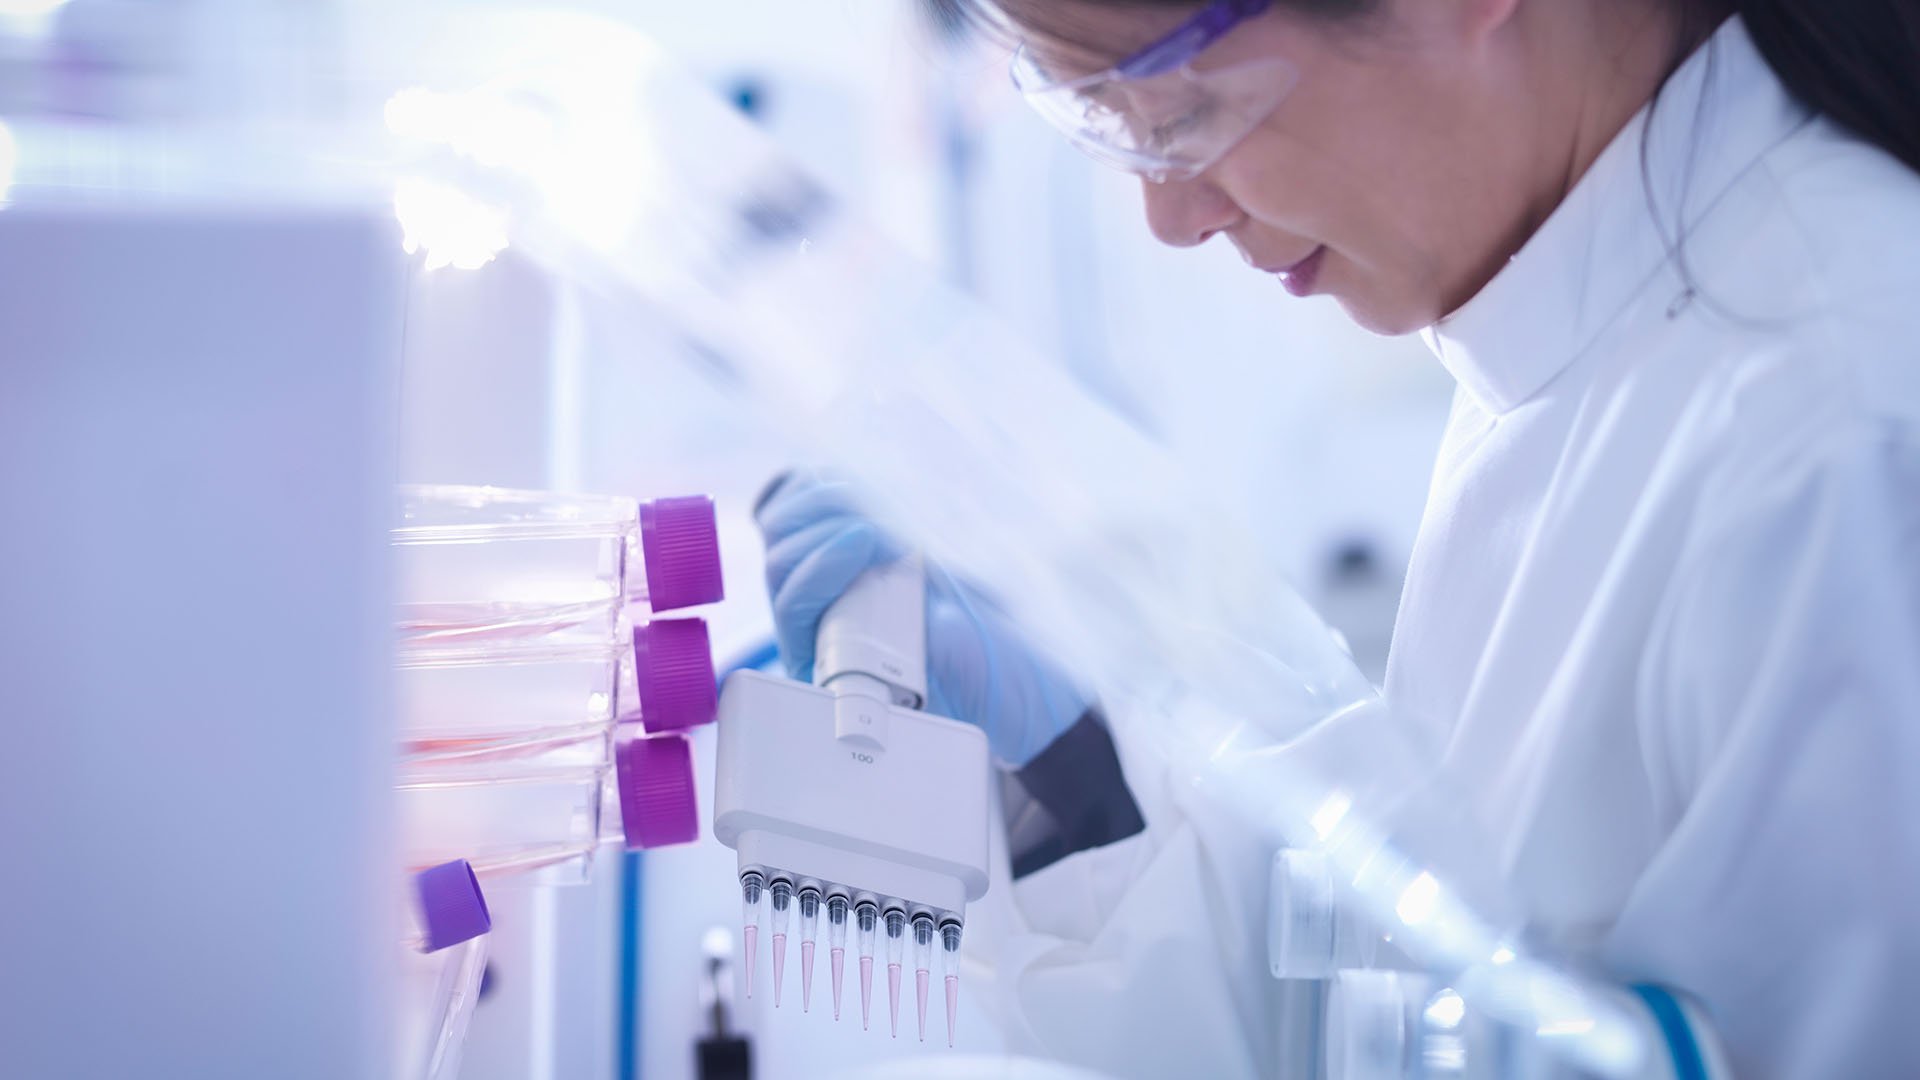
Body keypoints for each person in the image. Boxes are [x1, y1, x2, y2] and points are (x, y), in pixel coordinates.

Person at [754, 1, 1920, 1076]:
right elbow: (1430, 976)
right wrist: (1084, 771)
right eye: (1107, 126)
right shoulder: (1578, 311)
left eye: (1183, 114)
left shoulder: (1833, 430)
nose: (1173, 219)